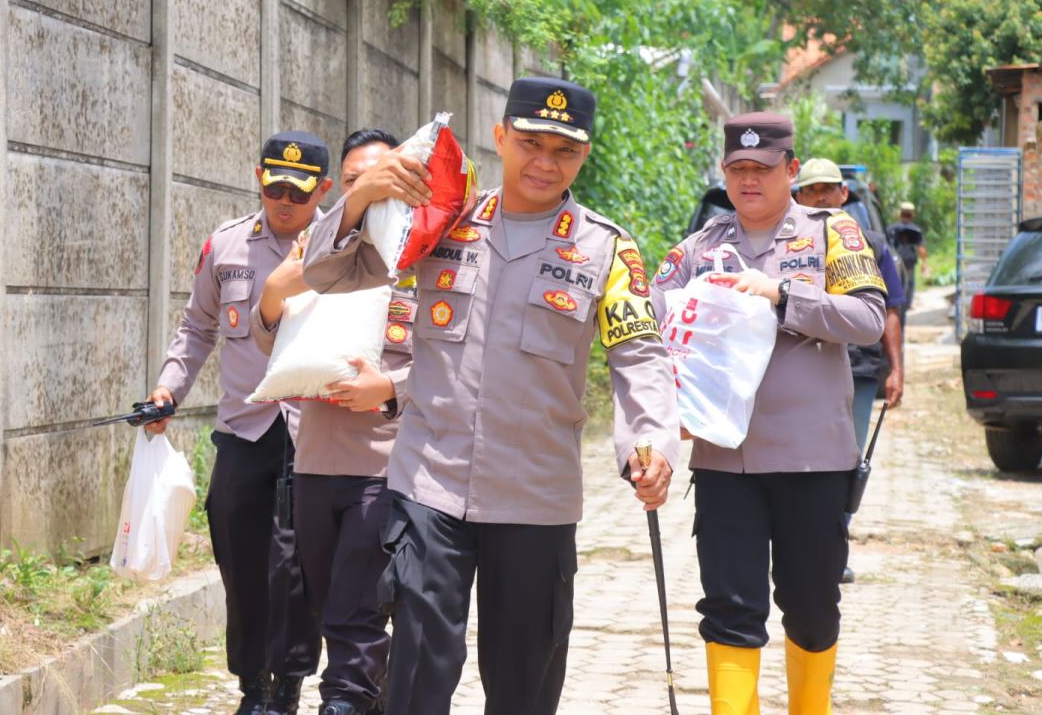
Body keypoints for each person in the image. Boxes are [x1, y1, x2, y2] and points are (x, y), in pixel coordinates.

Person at [302, 77, 681, 715]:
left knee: (523, 683)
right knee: (417, 678)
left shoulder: (606, 249)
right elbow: (326, 272)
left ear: (583, 156)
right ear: (500, 137)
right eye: (530, 143)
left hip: (536, 498)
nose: (545, 162)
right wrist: (363, 193)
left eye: (564, 150)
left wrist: (650, 438)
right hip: (430, 484)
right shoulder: (441, 220)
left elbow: (638, 351)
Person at [651, 114, 886, 714]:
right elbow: (646, 323)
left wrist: (783, 296)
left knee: (811, 603)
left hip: (814, 459)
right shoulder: (699, 247)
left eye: (762, 168)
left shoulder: (833, 233)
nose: (749, 179)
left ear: (791, 170)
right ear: (725, 175)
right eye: (737, 169)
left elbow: (867, 320)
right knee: (730, 606)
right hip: (726, 462)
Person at [145, 131, 332, 715]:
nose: (284, 202)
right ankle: (253, 685)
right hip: (245, 430)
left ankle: (289, 687)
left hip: (317, 434)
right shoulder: (225, 247)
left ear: (323, 191)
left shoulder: (343, 248)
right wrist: (168, 389)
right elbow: (197, 328)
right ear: (259, 178)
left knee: (298, 567)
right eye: (274, 188)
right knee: (241, 560)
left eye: (298, 194)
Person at [251, 128, 407, 715]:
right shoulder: (316, 254)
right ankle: (373, 691)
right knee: (325, 600)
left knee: (355, 607)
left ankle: (343, 701)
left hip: (385, 465)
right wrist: (276, 288)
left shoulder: (420, 259)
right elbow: (267, 338)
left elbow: (455, 368)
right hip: (314, 460)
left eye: (377, 180)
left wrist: (389, 389)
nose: (364, 191)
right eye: (352, 183)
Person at [793, 158, 906, 585]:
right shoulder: (786, 243)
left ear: (844, 195)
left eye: (829, 189)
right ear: (798, 197)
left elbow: (891, 310)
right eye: (812, 190)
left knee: (845, 461)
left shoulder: (873, 244)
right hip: (798, 370)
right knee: (792, 458)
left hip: (857, 371)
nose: (821, 197)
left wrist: (897, 369)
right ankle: (788, 547)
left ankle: (832, 552)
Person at [886, 201, 929, 323]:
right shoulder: (915, 230)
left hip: (893, 268)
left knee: (894, 298)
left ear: (900, 214)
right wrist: (924, 263)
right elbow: (921, 249)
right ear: (912, 214)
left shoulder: (891, 229)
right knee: (905, 299)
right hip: (909, 268)